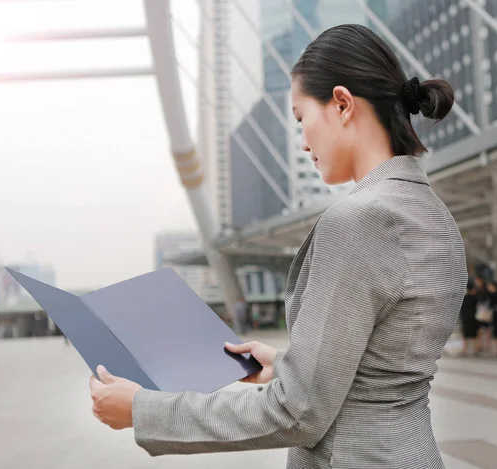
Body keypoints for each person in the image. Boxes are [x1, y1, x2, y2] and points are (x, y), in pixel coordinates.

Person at [88, 24, 467, 469]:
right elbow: (389, 364)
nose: (304, 142)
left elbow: (298, 411)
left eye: (301, 118)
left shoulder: (359, 219)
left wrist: (144, 409)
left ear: (343, 104)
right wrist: (292, 365)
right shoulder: (435, 216)